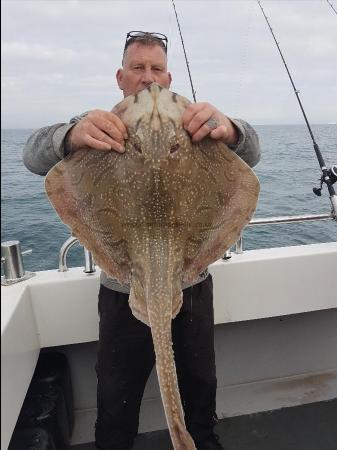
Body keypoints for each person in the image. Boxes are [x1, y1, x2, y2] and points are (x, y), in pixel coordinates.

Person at [23, 31, 260, 450]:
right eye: (138, 68)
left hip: (191, 284)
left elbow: (252, 152)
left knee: (200, 391)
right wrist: (70, 134)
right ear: (121, 76)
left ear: (168, 78)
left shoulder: (197, 121)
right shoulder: (97, 124)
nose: (148, 78)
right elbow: (32, 156)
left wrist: (233, 130)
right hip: (122, 287)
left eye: (156, 69)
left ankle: (200, 440)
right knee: (116, 402)